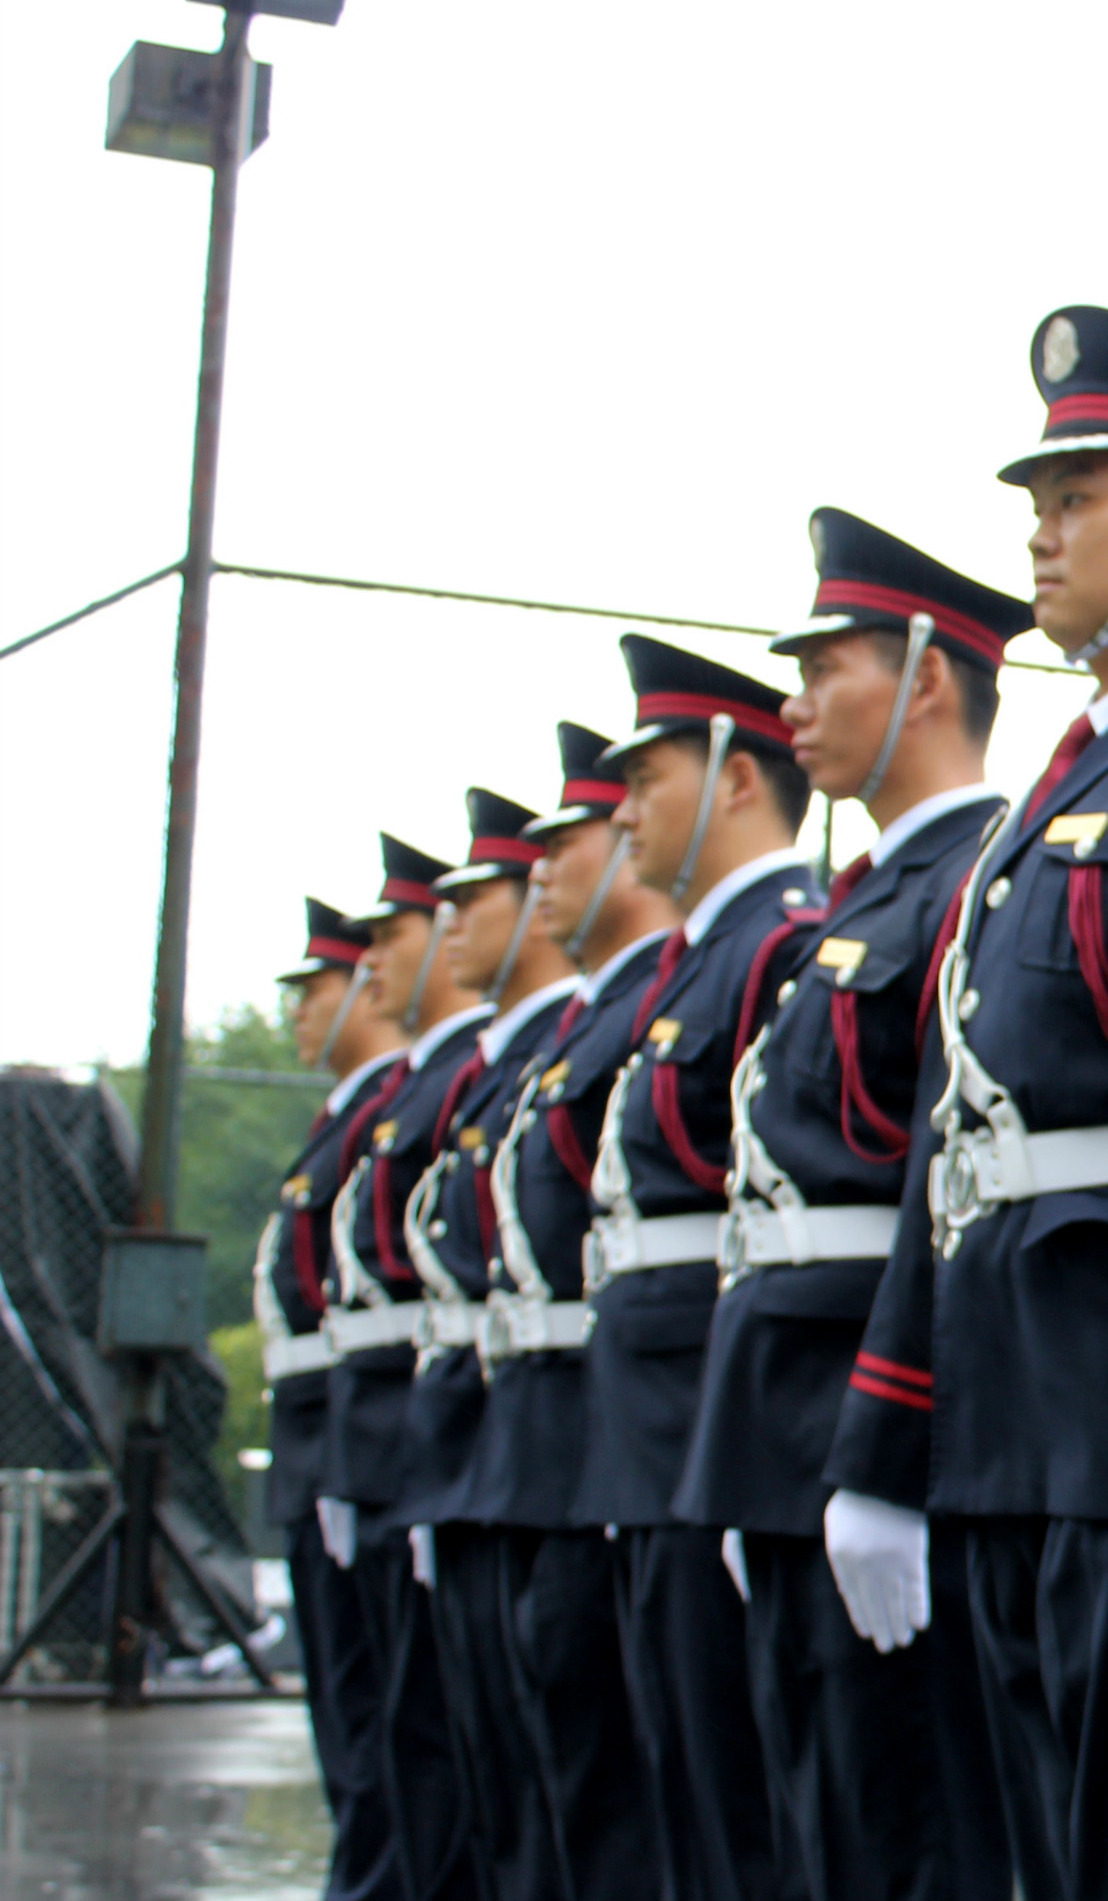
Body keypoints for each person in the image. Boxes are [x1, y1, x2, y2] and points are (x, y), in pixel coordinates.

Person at [827, 306, 1108, 1901]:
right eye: (1039, 497)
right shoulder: (1051, 803)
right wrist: (891, 1434)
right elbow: (948, 1149)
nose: (1042, 529)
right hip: (1008, 1417)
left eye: (1084, 494)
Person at [672, 512, 1030, 1901]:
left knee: (908, 1830)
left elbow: (940, 1185)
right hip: (781, 1419)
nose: (791, 708)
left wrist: (894, 1433)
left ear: (928, 679)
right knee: (814, 1822)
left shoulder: (970, 884)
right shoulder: (855, 913)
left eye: (829, 671)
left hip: (874, 1409)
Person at [573, 637, 823, 1901]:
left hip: (716, 1410)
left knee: (738, 1799)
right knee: (674, 1786)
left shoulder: (781, 942)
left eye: (649, 775)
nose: (624, 812)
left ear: (733, 775)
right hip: (654, 1417)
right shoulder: (700, 962)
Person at [473, 721, 678, 1901]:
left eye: (570, 838)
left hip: (618, 1433)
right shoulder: (586, 1025)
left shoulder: (676, 986)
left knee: (614, 1800)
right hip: (548, 1440)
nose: (542, 869)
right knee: (534, 1784)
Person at [401, 786, 582, 1901]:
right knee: (483, 1775)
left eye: (483, 897)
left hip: (572, 1432)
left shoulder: (568, 1035)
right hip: (484, 1433)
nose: (447, 925)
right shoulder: (490, 1066)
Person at [320, 832, 485, 1901]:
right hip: (382, 1428)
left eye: (394, 935)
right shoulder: (412, 1093)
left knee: (436, 1740)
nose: (369, 964)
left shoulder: (461, 1075)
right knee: (379, 1731)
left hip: (455, 1426)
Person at [256, 894, 408, 1901]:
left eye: (317, 990)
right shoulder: (351, 1114)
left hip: (372, 1436)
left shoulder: (391, 1106)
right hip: (326, 1439)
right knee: (352, 1724)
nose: (302, 1014)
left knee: (384, 1730)